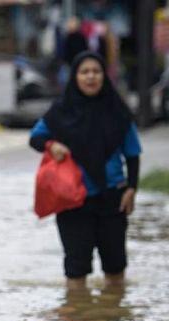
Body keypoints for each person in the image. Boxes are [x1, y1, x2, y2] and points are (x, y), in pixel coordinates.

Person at [29, 51, 140, 291]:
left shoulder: (118, 112)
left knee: (115, 268)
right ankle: (79, 320)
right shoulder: (60, 111)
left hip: (113, 198)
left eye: (96, 71)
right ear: (75, 77)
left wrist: (132, 188)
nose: (91, 77)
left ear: (104, 76)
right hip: (73, 201)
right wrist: (52, 144)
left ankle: (112, 320)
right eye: (84, 72)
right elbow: (35, 138)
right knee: (76, 270)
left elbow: (132, 153)